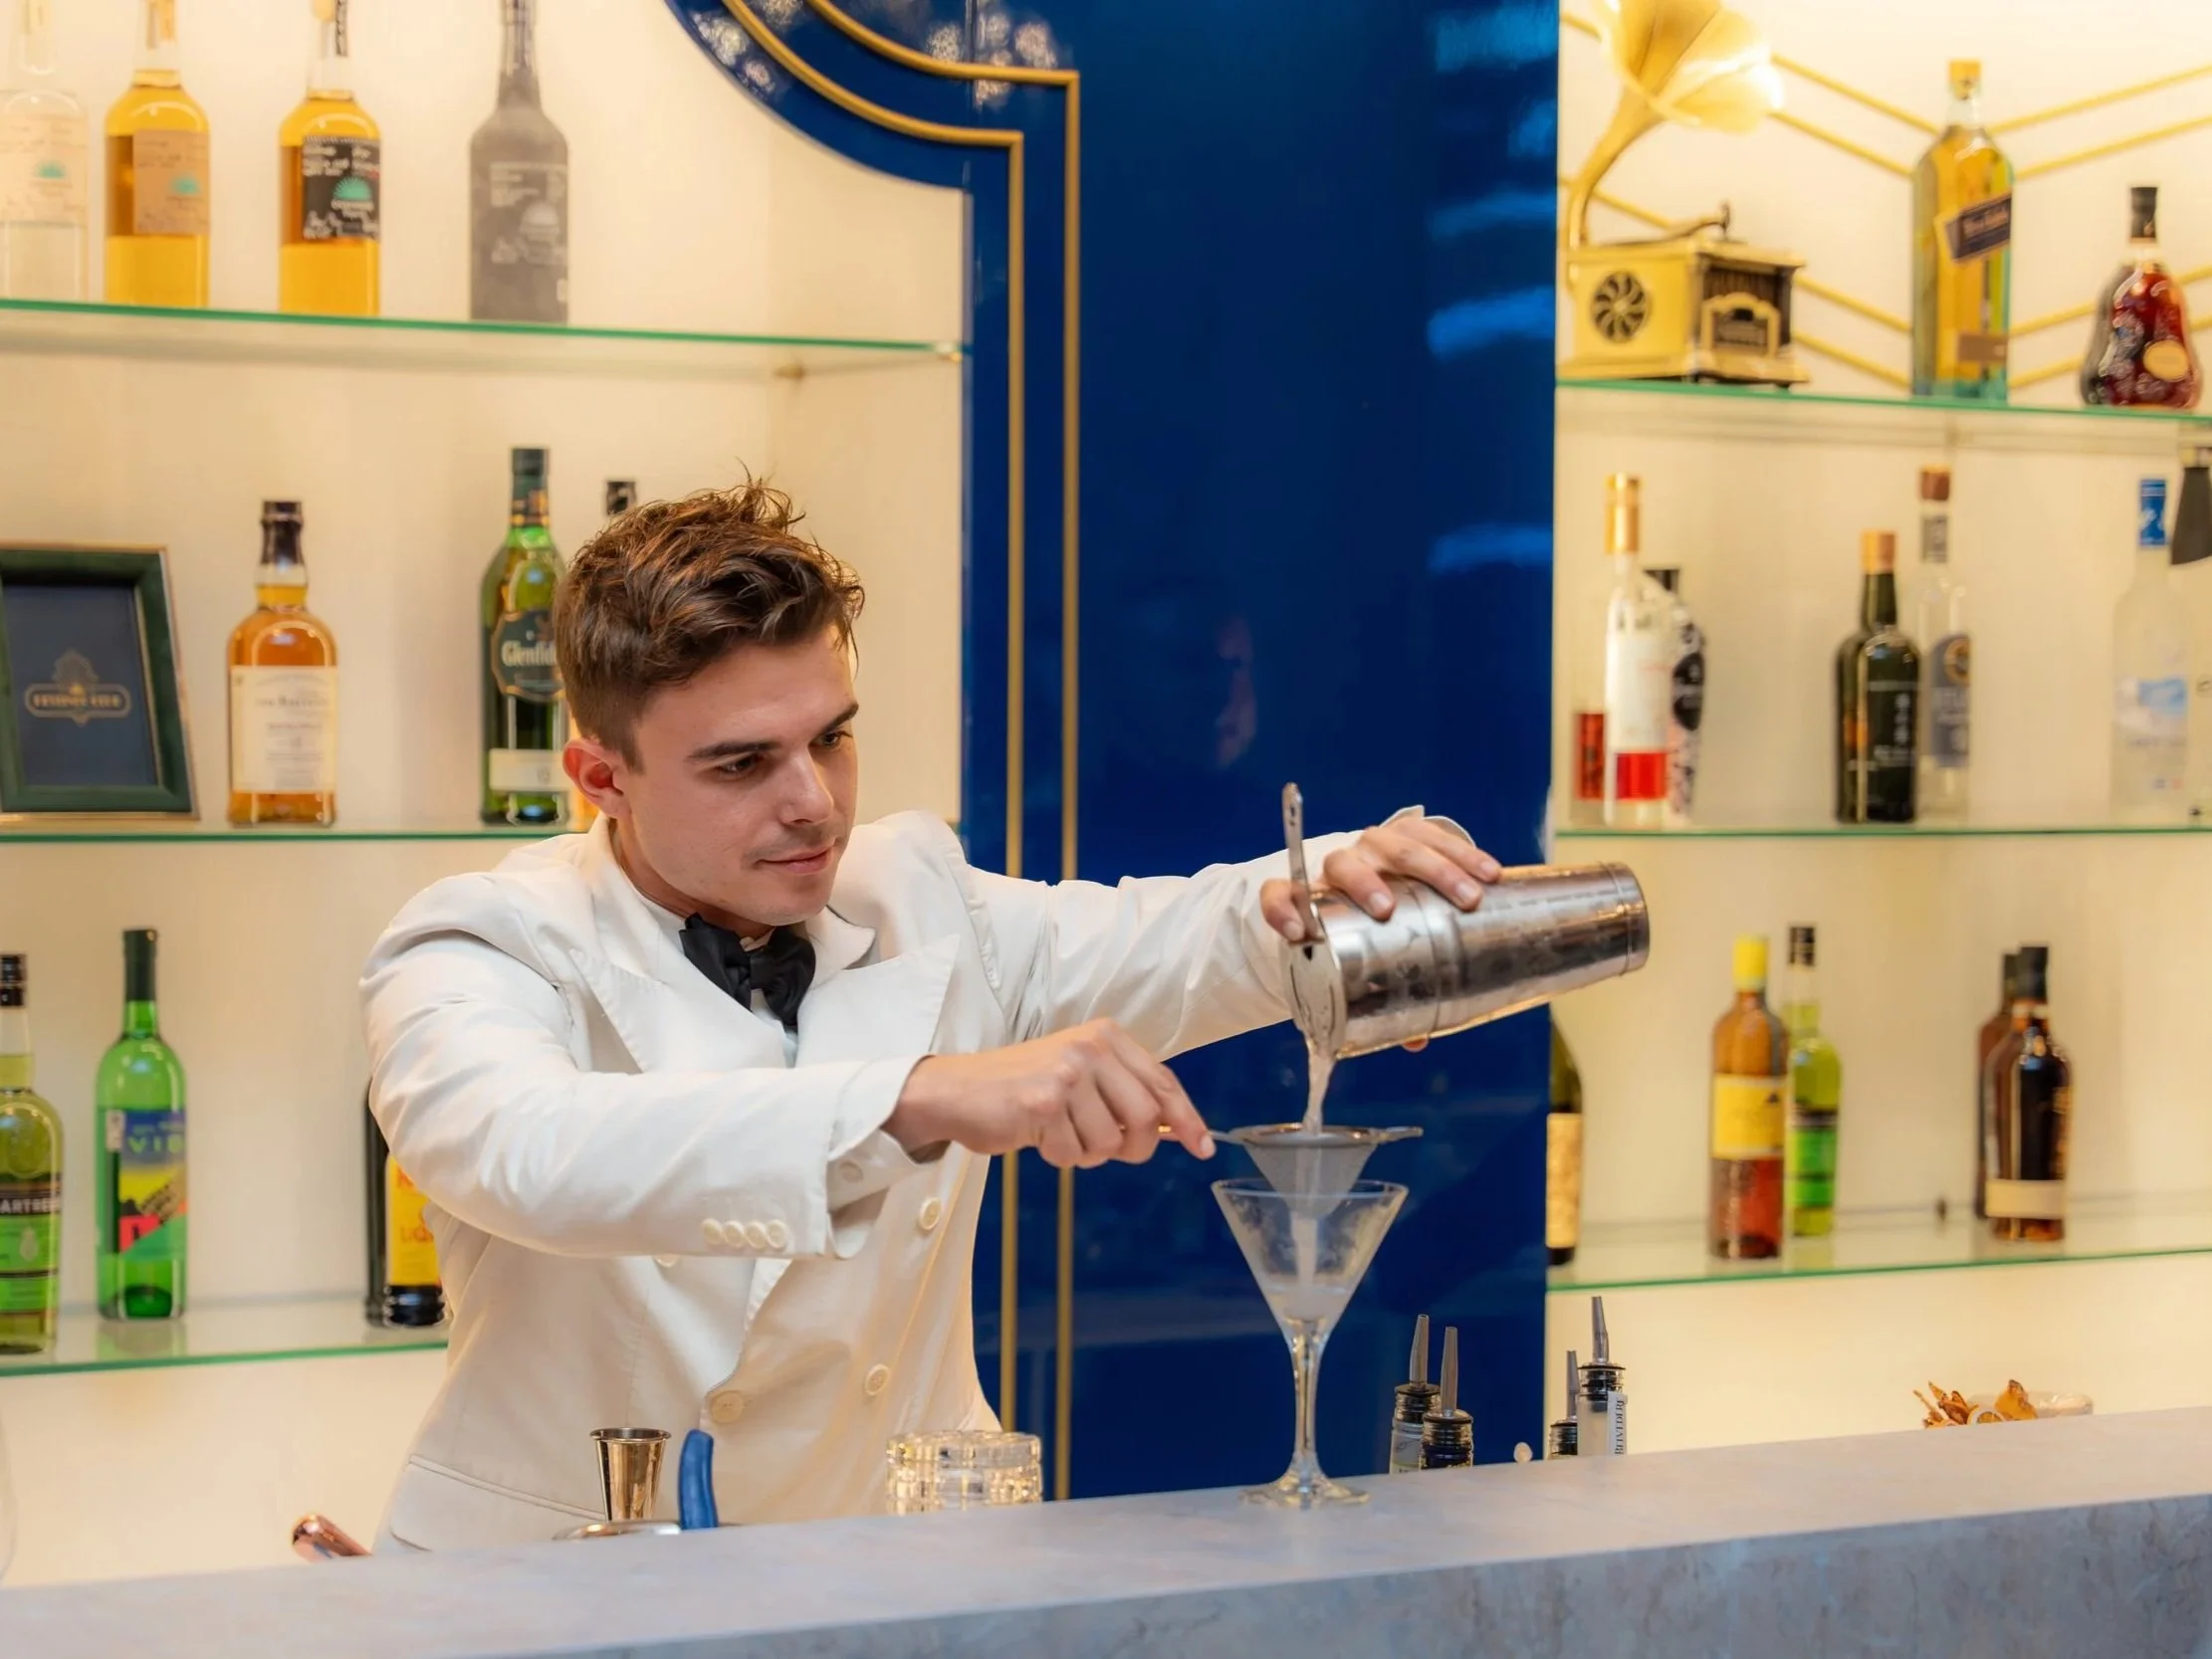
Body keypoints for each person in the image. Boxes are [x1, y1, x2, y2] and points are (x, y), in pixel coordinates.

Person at [360, 481, 1498, 1550]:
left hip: (889, 1569)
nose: (813, 801)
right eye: (742, 763)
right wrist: (917, 1097)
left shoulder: (918, 896)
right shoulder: (480, 940)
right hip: (555, 1583)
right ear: (600, 776)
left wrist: (1341, 888)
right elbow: (530, 1150)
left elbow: (1195, 933)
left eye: (830, 737)